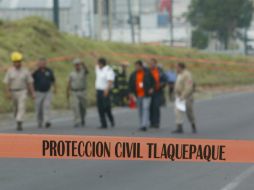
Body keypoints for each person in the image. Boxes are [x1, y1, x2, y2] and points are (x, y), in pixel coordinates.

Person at [3, 52, 35, 131]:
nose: (18, 63)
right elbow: (7, 83)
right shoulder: (10, 71)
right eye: (16, 62)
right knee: (16, 109)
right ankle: (17, 118)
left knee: (22, 106)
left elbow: (30, 82)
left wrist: (32, 93)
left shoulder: (25, 71)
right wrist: (7, 93)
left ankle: (19, 121)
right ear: (13, 63)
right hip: (13, 91)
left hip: (23, 91)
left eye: (19, 62)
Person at [129, 60, 155, 131]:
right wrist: (131, 93)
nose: (136, 67)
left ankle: (144, 125)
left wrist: (152, 88)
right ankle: (142, 124)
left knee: (145, 108)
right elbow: (130, 84)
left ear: (141, 66)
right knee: (140, 109)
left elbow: (153, 82)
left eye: (137, 66)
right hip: (138, 95)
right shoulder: (133, 74)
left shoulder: (147, 73)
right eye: (135, 66)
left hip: (146, 94)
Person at [172, 62, 197, 134]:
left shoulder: (187, 74)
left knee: (189, 112)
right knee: (177, 112)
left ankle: (193, 125)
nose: (176, 69)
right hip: (179, 96)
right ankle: (179, 127)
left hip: (186, 96)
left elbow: (189, 86)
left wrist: (183, 96)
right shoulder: (179, 74)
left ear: (180, 67)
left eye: (177, 67)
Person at [32, 58, 56, 128]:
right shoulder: (36, 72)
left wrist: (55, 88)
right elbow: (29, 79)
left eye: (43, 63)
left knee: (47, 106)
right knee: (39, 108)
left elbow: (53, 80)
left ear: (45, 64)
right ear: (38, 64)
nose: (42, 64)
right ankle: (39, 121)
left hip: (47, 92)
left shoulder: (49, 71)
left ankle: (47, 121)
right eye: (40, 63)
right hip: (38, 92)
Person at [67, 58, 89, 128]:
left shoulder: (83, 72)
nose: (77, 66)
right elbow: (69, 83)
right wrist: (68, 91)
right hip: (74, 92)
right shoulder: (72, 73)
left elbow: (87, 71)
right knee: (75, 107)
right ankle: (77, 121)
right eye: (76, 65)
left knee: (83, 107)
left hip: (83, 91)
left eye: (78, 64)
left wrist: (84, 64)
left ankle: (82, 119)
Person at [95, 58, 115, 129]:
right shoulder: (98, 69)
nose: (97, 64)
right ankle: (103, 123)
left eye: (98, 63)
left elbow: (110, 81)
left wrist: (106, 90)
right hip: (98, 91)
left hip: (105, 91)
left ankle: (111, 119)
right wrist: (94, 55)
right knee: (100, 108)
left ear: (102, 64)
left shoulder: (108, 70)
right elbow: (95, 60)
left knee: (106, 107)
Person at [148, 58, 167, 128]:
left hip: (158, 92)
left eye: (152, 63)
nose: (151, 65)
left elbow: (165, 80)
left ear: (155, 64)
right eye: (150, 63)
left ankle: (157, 122)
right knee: (150, 107)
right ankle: (151, 122)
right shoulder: (148, 71)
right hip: (149, 92)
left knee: (156, 107)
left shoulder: (160, 71)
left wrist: (160, 85)